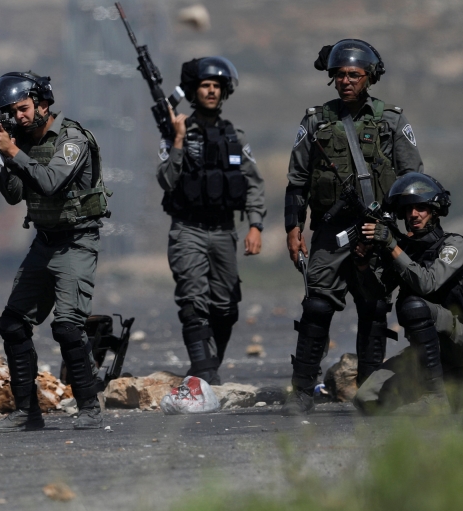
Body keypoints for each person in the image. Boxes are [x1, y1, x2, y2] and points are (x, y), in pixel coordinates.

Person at [282, 39, 423, 415]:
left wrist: (408, 227)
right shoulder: (316, 120)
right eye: (340, 75)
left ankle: (370, 389)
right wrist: (293, 229)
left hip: (378, 229)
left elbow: (412, 178)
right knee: (316, 306)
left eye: (354, 75)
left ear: (369, 77)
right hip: (330, 229)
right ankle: (301, 391)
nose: (346, 82)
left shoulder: (391, 120)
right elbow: (297, 181)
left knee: (374, 307)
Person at [0, 71, 111, 431]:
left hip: (76, 240)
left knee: (68, 326)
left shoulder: (72, 139)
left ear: (43, 103)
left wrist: (12, 151)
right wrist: (5, 156)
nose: (18, 117)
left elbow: (52, 183)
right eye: (9, 112)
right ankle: (27, 411)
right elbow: (12, 195)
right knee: (12, 324)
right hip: (44, 240)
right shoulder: (20, 142)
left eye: (23, 109)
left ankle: (89, 406)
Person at [157, 56, 266, 385]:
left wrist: (256, 226)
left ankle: (209, 364)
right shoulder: (176, 132)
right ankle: (204, 371)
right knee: (193, 301)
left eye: (217, 86)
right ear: (194, 90)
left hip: (223, 231)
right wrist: (177, 140)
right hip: (188, 229)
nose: (211, 91)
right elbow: (165, 179)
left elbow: (254, 183)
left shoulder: (235, 136)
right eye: (205, 85)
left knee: (226, 307)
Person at [352, 173, 463, 414]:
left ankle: (435, 394)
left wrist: (391, 246)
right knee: (366, 400)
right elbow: (377, 293)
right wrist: (363, 265)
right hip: (425, 351)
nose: (414, 215)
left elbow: (427, 284)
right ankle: (451, 380)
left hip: (461, 340)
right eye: (408, 209)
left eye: (421, 208)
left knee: (414, 305)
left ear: (435, 211)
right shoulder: (404, 250)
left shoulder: (455, 246)